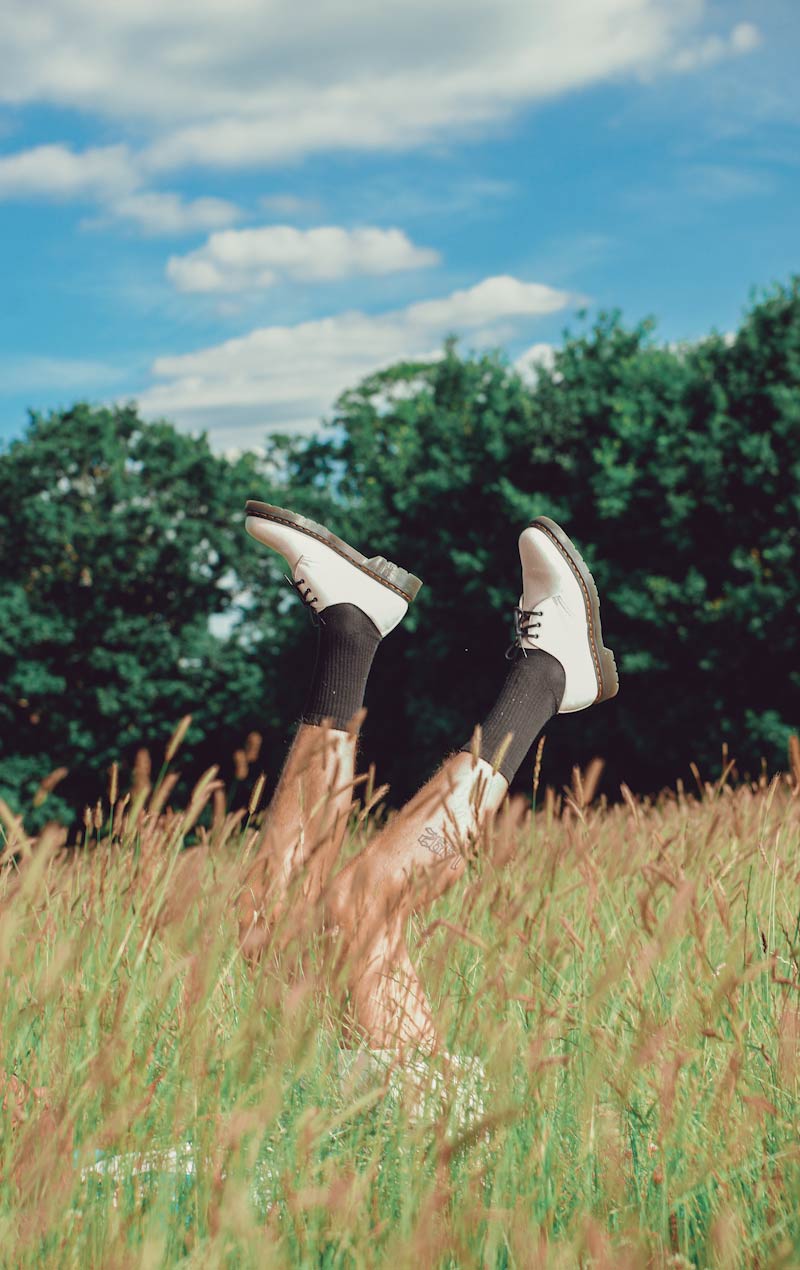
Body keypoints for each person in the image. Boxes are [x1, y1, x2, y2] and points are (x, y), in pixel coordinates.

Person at [237, 501, 618, 1058]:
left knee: (263, 923)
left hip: (319, 1097)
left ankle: (352, 628)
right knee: (363, 903)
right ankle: (548, 676)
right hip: (411, 1105)